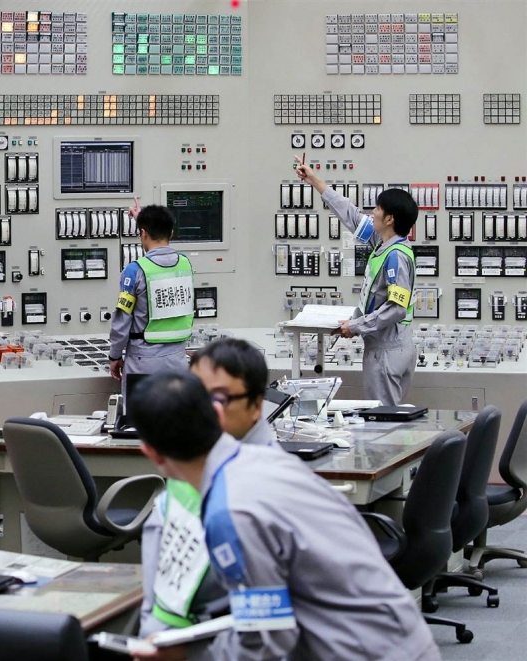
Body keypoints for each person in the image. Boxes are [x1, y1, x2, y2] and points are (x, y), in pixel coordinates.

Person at [130, 372, 440, 661]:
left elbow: (267, 636)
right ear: (219, 414)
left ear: (151, 452)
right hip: (398, 637)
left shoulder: (231, 513)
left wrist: (188, 655)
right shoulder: (272, 461)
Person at [139, 339, 281, 637]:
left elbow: (266, 629)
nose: (200, 412)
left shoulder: (263, 490)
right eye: (195, 397)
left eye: (217, 399)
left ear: (256, 405)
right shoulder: (194, 465)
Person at [295, 157, 418, 406]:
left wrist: (356, 326)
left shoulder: (395, 257)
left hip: (387, 350)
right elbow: (351, 216)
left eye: (378, 209)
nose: (373, 212)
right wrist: (314, 180)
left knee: (384, 424)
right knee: (387, 419)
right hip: (394, 346)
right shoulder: (383, 244)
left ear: (390, 218)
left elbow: (396, 308)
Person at [109, 201, 195, 386]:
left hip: (143, 364)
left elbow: (121, 322)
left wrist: (114, 355)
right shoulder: (185, 264)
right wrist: (142, 218)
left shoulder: (134, 271)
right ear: (171, 233)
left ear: (143, 234)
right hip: (178, 361)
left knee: (142, 415)